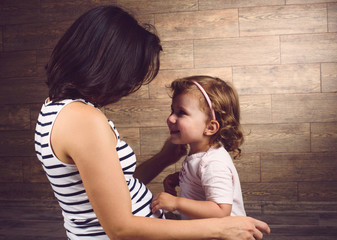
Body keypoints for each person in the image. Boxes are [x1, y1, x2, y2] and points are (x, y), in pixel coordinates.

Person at [34, 5, 270, 240]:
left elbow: (115, 187)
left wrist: (163, 159)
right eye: (129, 77)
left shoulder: (54, 108)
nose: (127, 88)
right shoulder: (83, 119)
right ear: (108, 67)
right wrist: (222, 228)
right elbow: (120, 229)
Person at [151, 76, 246, 220]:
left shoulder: (213, 163)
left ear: (210, 127)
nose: (170, 118)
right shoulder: (200, 155)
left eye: (181, 112)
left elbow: (221, 211)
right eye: (172, 111)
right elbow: (201, 179)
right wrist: (180, 179)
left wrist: (176, 203)